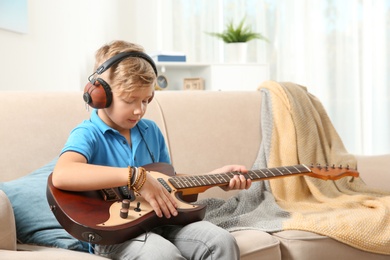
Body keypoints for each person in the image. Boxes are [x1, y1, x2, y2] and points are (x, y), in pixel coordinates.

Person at [52, 40, 252, 259]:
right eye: (130, 100)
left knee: (221, 241)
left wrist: (212, 178)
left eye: (147, 100)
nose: (139, 110)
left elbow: (167, 182)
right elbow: (63, 174)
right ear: (101, 95)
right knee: (162, 254)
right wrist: (136, 177)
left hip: (162, 220)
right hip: (116, 234)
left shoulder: (151, 131)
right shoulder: (88, 133)